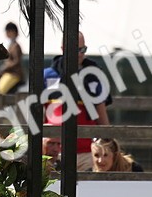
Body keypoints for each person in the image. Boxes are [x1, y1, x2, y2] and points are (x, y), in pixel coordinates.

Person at [43, 32, 112, 172]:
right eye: (75, 49)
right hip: (55, 152)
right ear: (63, 48)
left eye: (83, 49)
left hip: (88, 152)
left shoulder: (94, 76)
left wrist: (109, 143)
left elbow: (102, 115)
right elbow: (39, 114)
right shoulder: (46, 76)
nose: (80, 54)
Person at [0, 22, 25, 95]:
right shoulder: (11, 45)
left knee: (1, 90)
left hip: (14, 73)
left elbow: (16, 61)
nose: (6, 33)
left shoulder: (16, 46)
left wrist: (5, 68)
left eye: (8, 31)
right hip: (9, 72)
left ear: (12, 32)